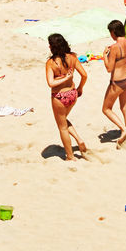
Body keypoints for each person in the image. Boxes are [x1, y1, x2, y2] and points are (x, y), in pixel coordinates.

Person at [45, 33, 88, 161]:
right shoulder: (73, 57)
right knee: (63, 120)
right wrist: (80, 88)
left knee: (62, 126)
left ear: (52, 47)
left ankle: (70, 156)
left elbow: (51, 83)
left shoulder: (50, 63)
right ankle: (79, 139)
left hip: (59, 97)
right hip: (72, 94)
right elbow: (84, 75)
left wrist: (66, 77)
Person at [102, 19, 126, 147]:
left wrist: (105, 55)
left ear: (113, 32)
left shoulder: (115, 47)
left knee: (106, 109)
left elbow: (109, 68)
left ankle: (124, 129)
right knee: (125, 108)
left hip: (117, 82)